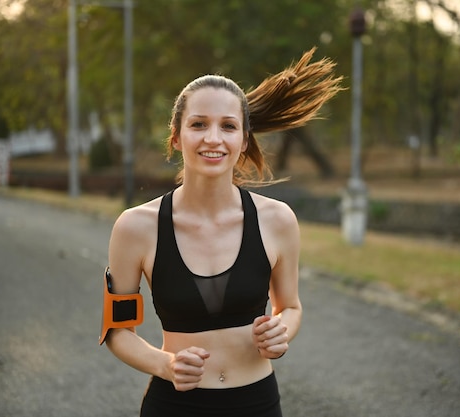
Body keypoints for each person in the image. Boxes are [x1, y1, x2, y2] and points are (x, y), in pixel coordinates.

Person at [100, 47, 342, 417]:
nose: (213, 138)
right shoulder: (136, 227)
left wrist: (282, 331)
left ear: (243, 140)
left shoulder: (277, 220)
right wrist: (165, 364)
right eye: (198, 124)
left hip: (257, 404)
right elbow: (117, 333)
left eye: (228, 126)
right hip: (174, 405)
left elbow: (290, 307)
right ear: (177, 137)